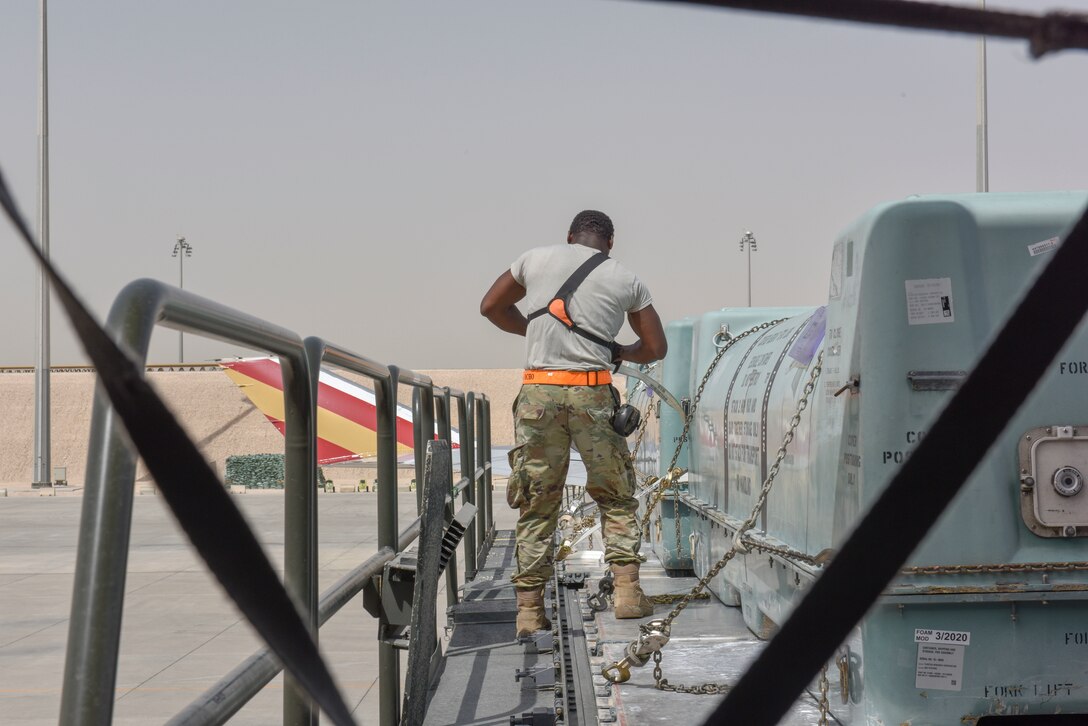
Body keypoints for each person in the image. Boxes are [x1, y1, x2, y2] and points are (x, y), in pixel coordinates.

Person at [480, 209, 668, 637]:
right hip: (593, 394)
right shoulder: (626, 278)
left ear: (569, 237)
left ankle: (529, 611)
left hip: (539, 395)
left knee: (537, 501)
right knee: (615, 496)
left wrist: (533, 332)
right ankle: (627, 594)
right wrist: (620, 351)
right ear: (610, 243)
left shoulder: (533, 259)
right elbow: (655, 348)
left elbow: (490, 306)